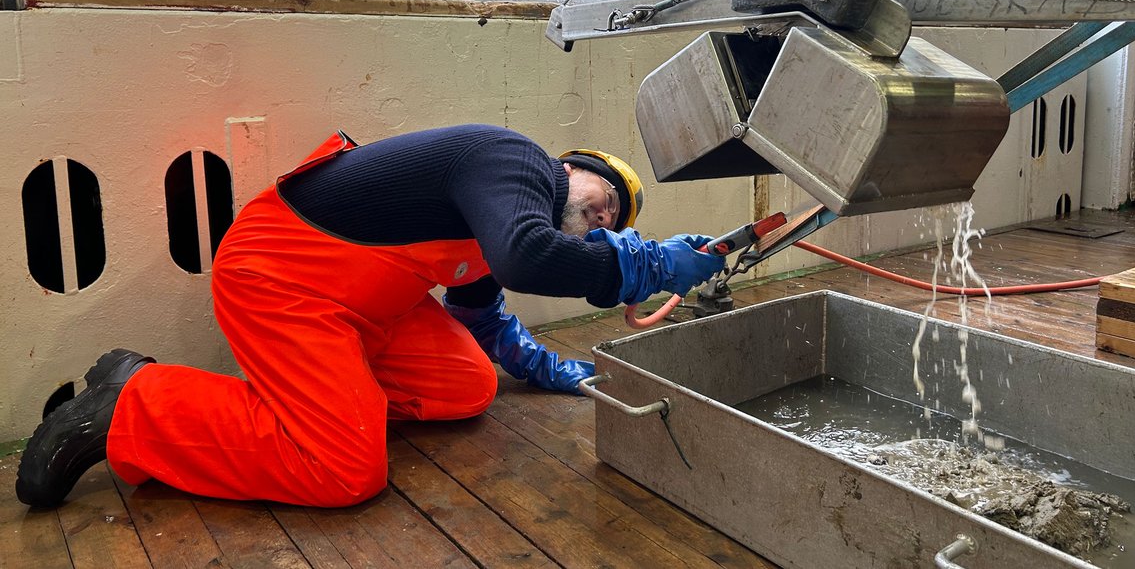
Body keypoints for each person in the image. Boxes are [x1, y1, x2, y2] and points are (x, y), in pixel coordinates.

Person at [16, 124, 724, 508]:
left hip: (365, 311)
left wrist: (546, 367)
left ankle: (322, 401)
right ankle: (132, 402)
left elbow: (485, 309)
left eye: (615, 219)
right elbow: (528, 259)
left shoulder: (498, 225)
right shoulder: (514, 162)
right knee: (344, 471)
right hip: (279, 279)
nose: (606, 214)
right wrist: (652, 264)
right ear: (569, 168)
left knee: (469, 386)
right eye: (607, 196)